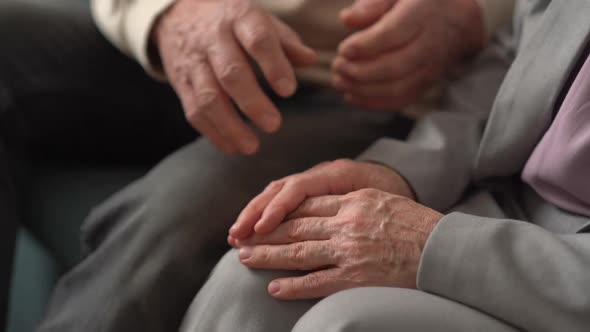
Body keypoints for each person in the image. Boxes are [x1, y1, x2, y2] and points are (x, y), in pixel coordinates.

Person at [9, 0, 511, 331]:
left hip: (373, 90)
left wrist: (479, 13)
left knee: (195, 217)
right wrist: (167, 13)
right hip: (181, 28)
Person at [177, 0, 590, 331]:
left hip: (561, 270)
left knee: (346, 323)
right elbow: (512, 61)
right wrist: (398, 172)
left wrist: (433, 246)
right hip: (499, 202)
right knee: (253, 271)